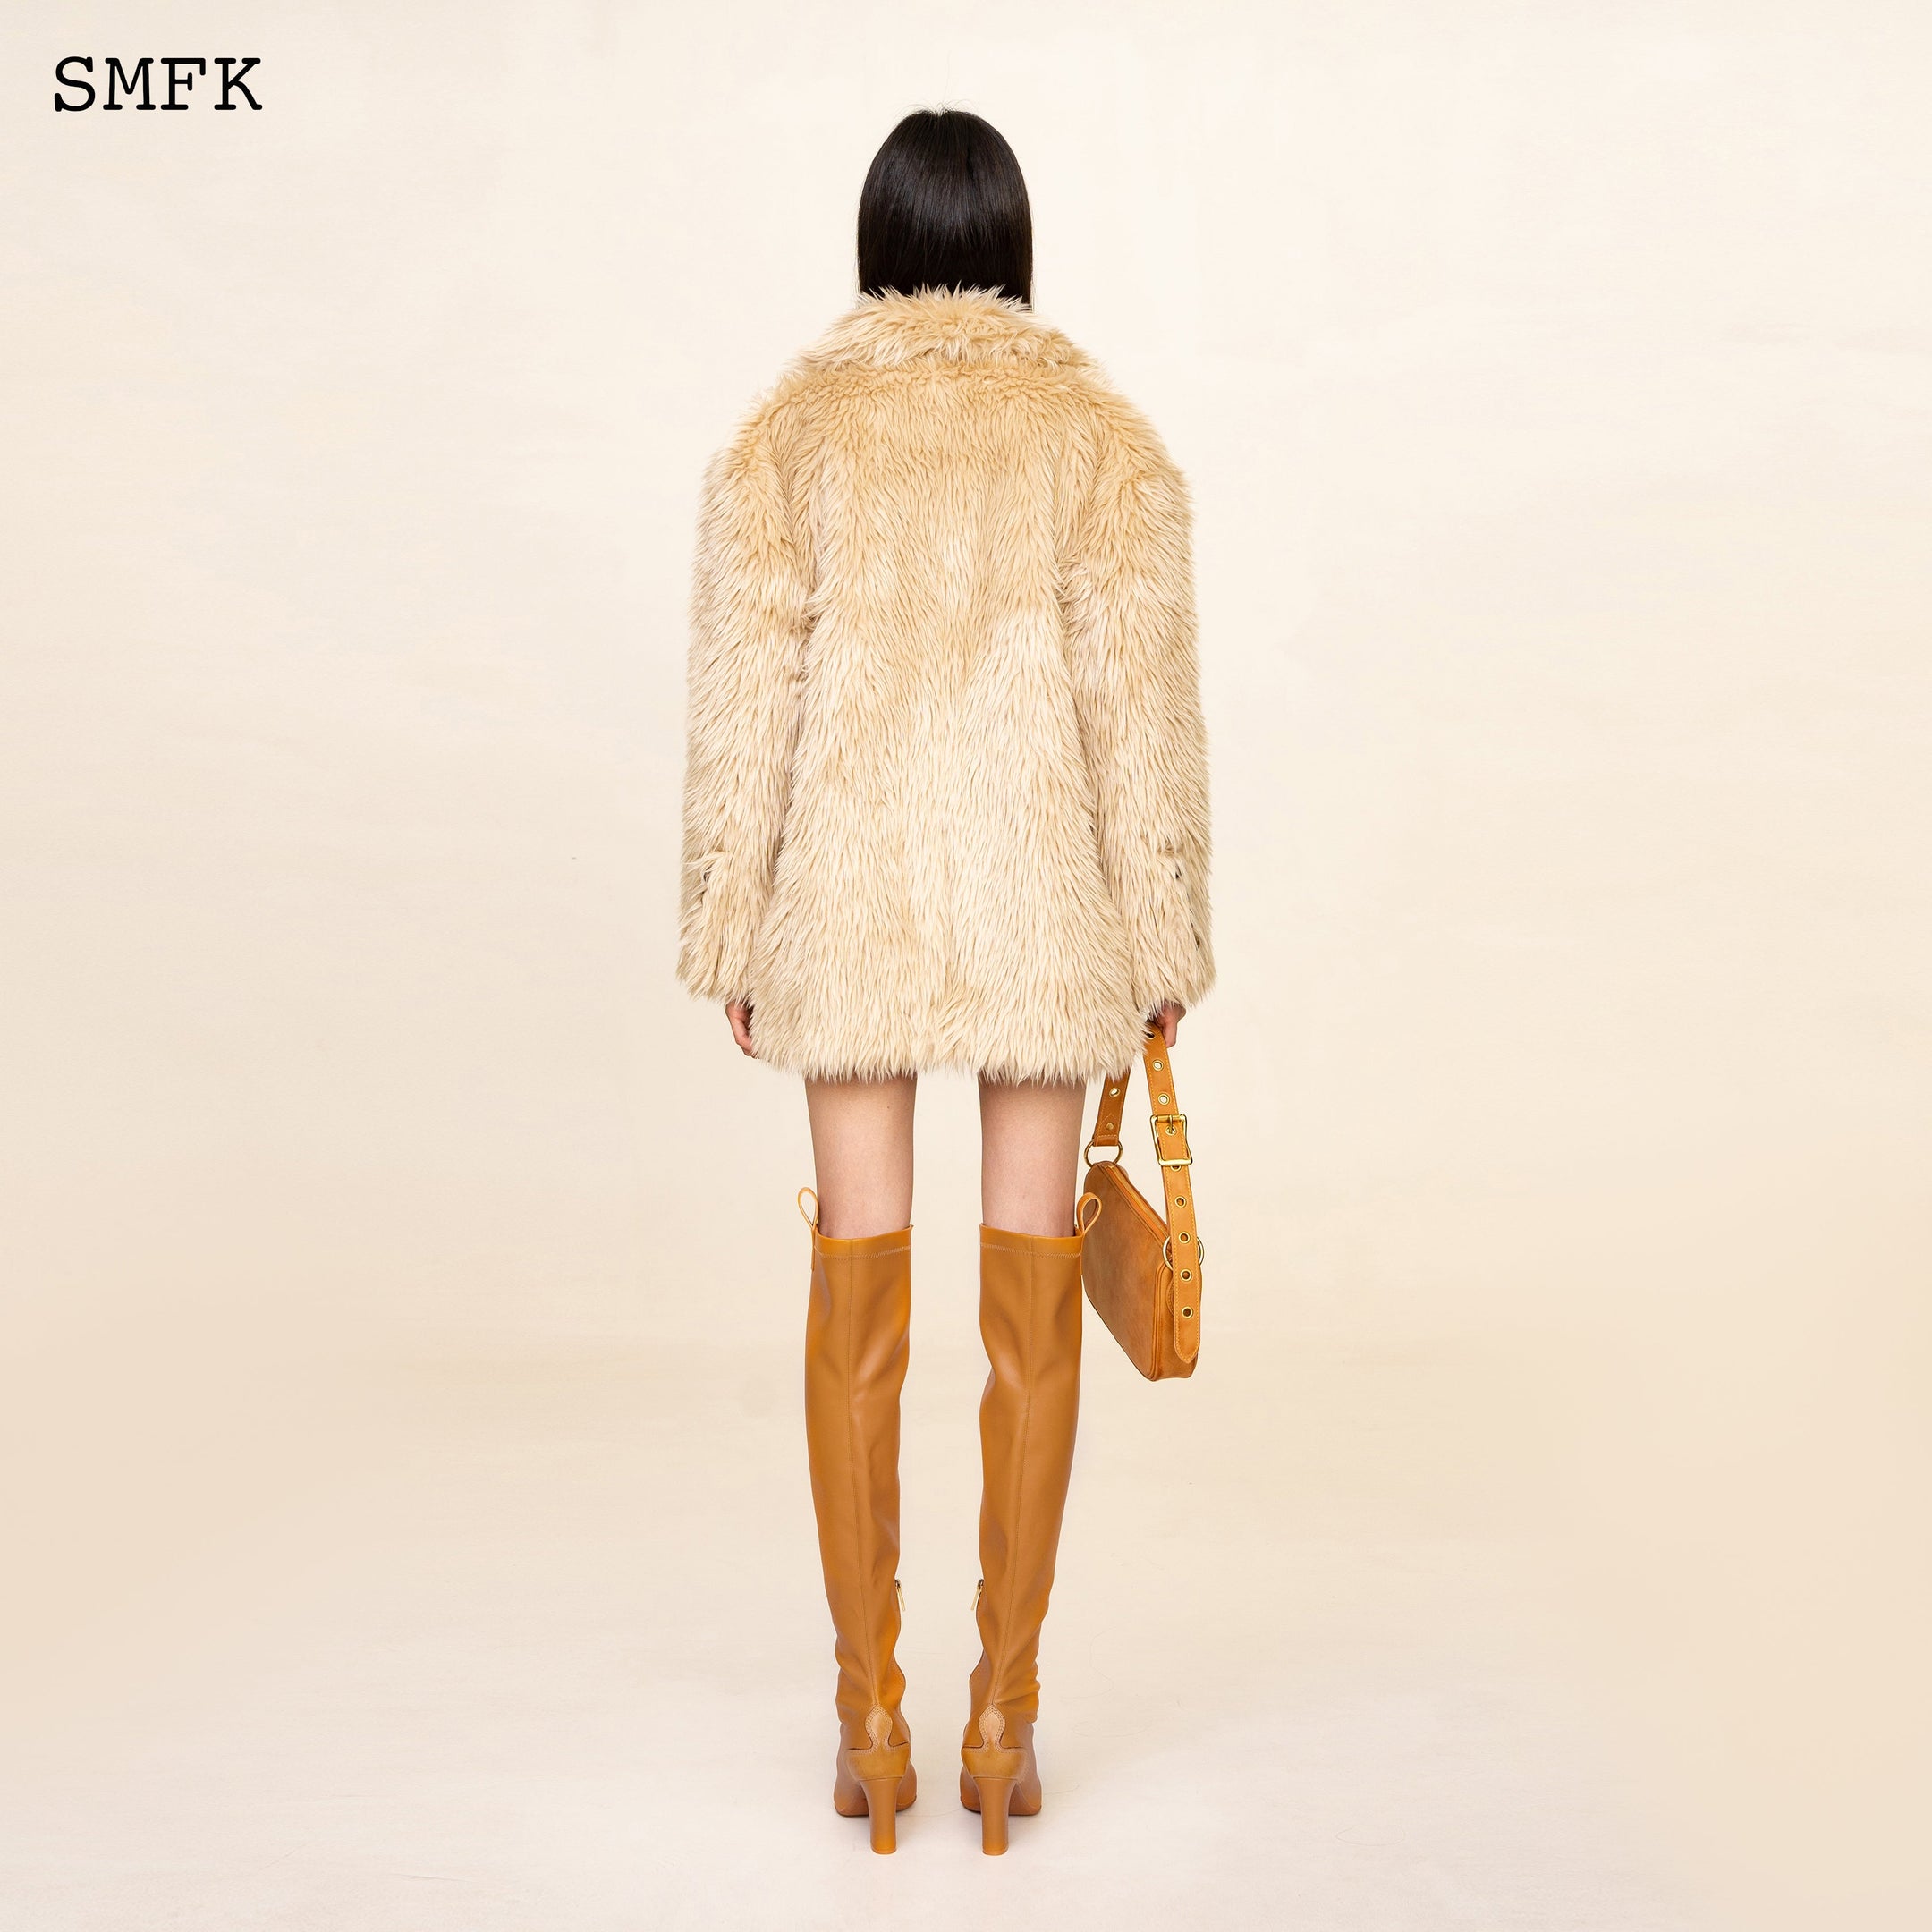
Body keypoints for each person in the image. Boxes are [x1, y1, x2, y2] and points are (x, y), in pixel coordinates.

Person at [676, 106, 1213, 1854]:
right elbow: (1138, 706)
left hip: (850, 909)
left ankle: (870, 1726)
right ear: (1014, 246)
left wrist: (731, 920)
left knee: (858, 1302)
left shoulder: (789, 439)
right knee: (1029, 1310)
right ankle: (1003, 1724)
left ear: (877, 244)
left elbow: (748, 699)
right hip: (1043, 910)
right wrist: (1161, 939)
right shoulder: (1100, 443)